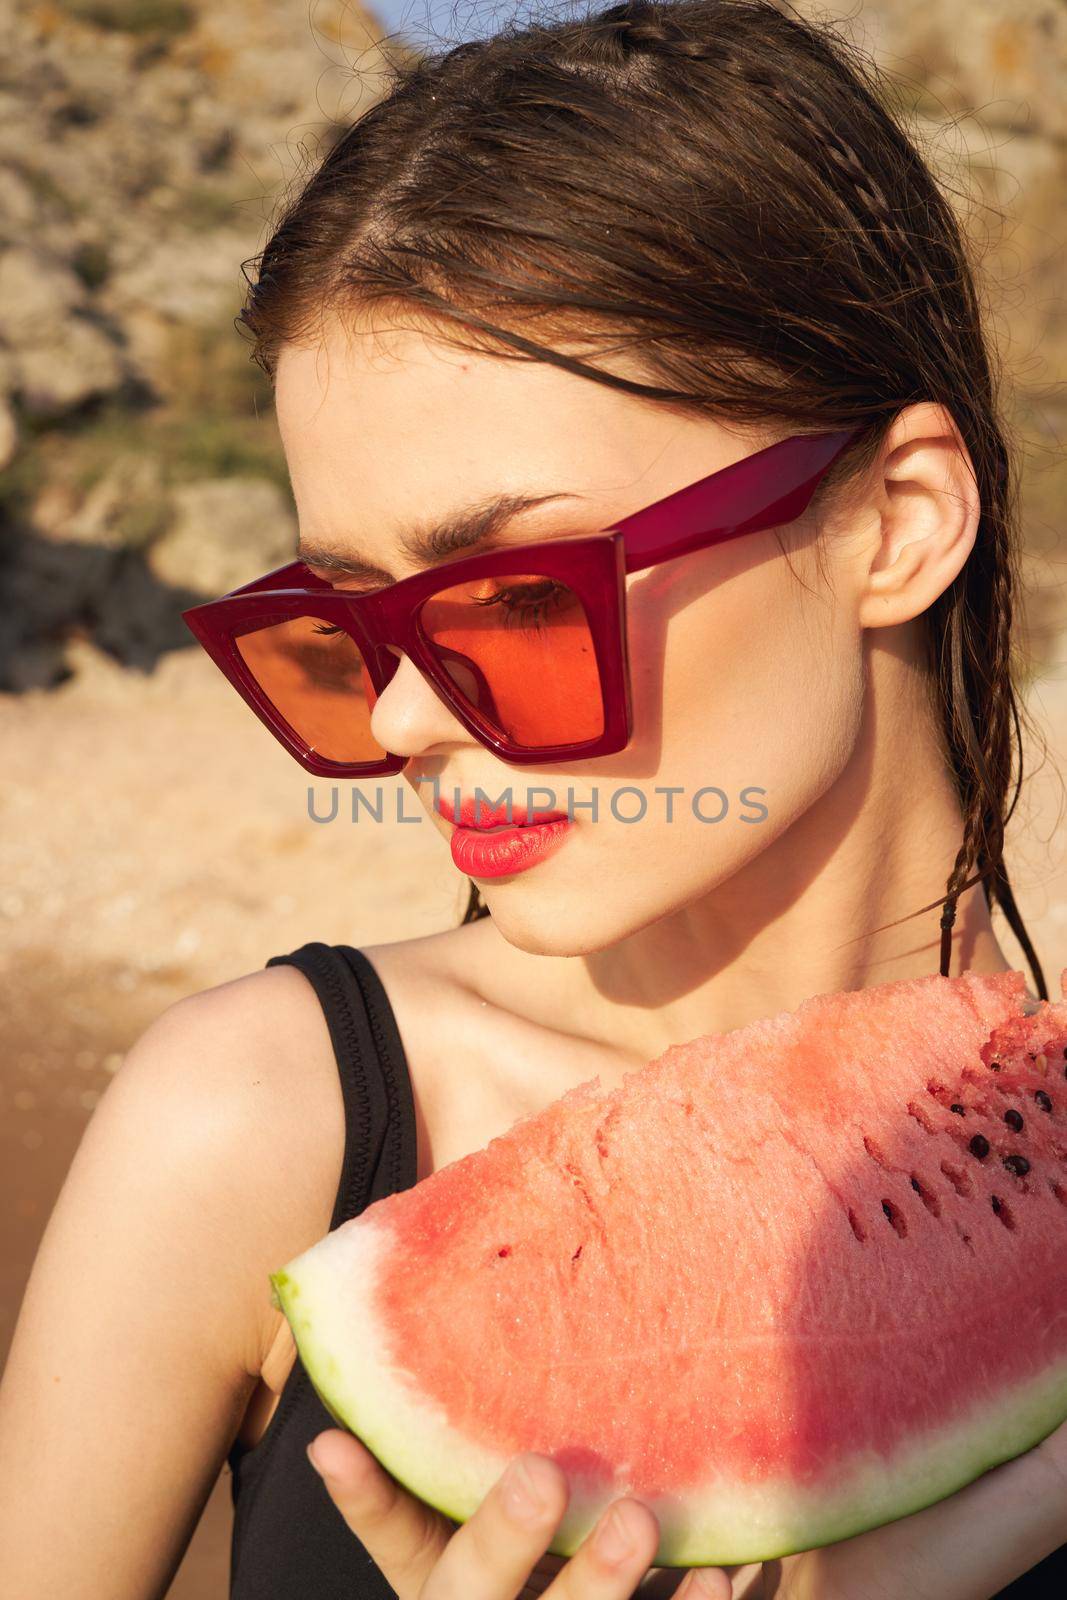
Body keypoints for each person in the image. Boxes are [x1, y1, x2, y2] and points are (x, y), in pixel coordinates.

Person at [1, 2, 1064, 1597]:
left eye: (513, 599)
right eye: (344, 622)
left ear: (896, 525)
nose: (405, 710)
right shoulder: (253, 1126)